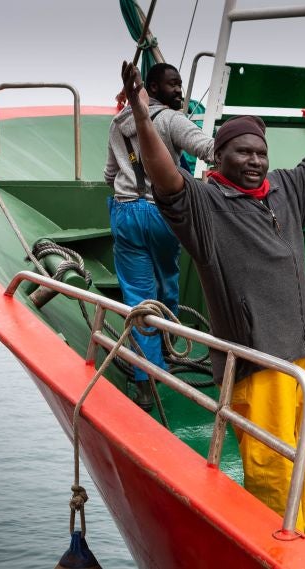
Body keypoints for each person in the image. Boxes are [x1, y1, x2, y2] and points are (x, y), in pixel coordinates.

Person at [120, 60, 305, 549]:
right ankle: (272, 551)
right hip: (258, 363)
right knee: (273, 471)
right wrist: (139, 110)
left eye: (260, 151)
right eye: (243, 152)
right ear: (219, 157)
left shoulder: (285, 187)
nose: (255, 160)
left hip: (304, 356)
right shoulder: (203, 205)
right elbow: (164, 174)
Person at [103, 62, 214, 411]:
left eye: (179, 84)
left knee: (138, 297)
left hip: (125, 212)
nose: (179, 91)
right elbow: (206, 149)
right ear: (151, 87)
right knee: (167, 279)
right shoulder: (170, 119)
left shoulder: (117, 124)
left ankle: (144, 382)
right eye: (172, 85)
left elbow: (109, 173)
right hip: (163, 213)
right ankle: (168, 341)